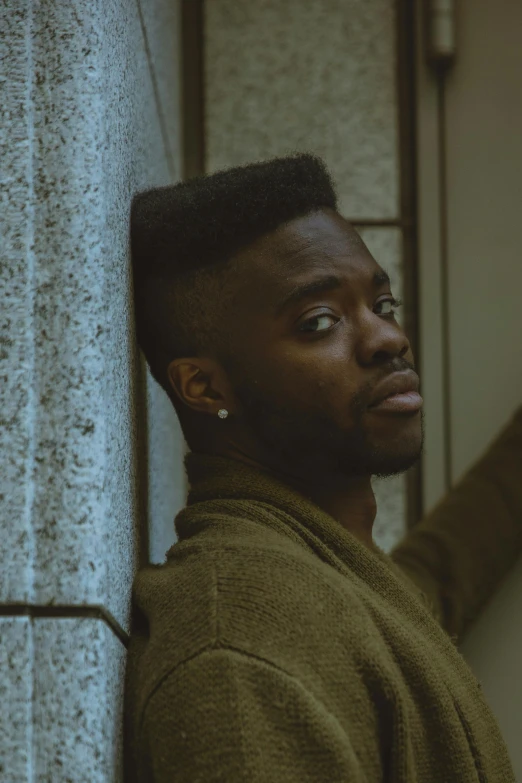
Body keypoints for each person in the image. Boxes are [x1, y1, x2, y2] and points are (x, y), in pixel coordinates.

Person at [124, 153, 522, 782]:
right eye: (319, 322)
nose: (387, 339)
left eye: (382, 304)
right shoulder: (240, 647)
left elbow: (435, 581)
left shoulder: (326, 580)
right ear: (203, 387)